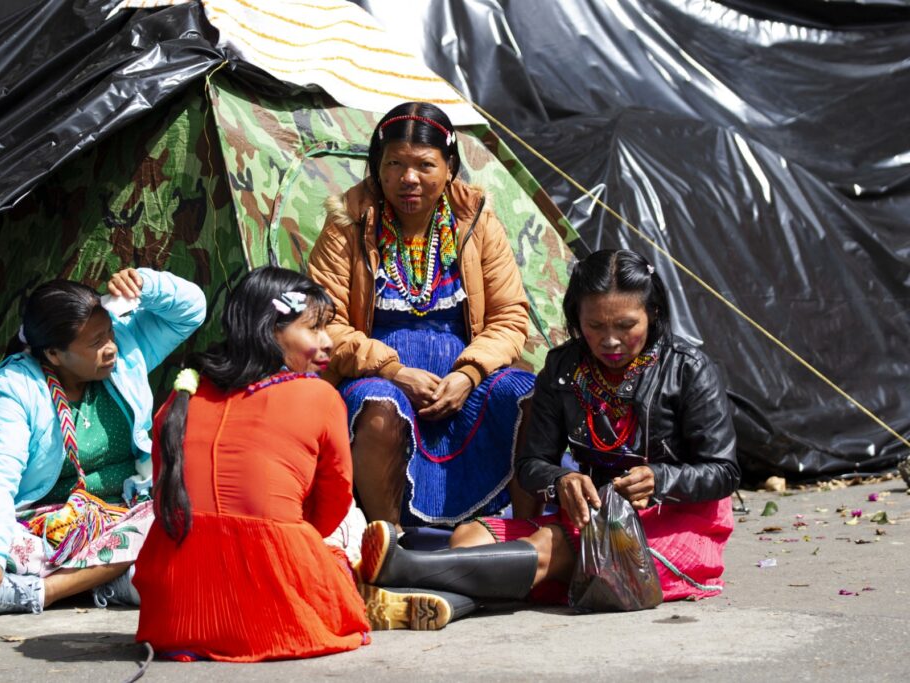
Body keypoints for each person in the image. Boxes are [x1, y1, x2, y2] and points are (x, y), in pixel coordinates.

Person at [357, 249, 741, 619]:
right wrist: (562, 480)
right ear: (576, 317)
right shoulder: (563, 368)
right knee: (469, 538)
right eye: (595, 326)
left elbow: (723, 472)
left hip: (675, 519)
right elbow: (531, 464)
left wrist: (661, 478)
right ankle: (443, 603)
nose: (610, 340)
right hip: (596, 513)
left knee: (549, 546)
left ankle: (402, 574)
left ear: (653, 315)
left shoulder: (690, 369)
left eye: (626, 325)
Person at [308, 101, 538, 529]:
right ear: (377, 167)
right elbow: (325, 322)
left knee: (527, 395)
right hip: (378, 377)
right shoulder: (348, 223)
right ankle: (388, 539)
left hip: (465, 385)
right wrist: (394, 371)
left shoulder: (477, 221)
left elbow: (509, 318)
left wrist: (468, 375)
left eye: (424, 165)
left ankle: (526, 534)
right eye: (394, 163)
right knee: (378, 406)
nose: (408, 179)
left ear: (449, 167)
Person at [133, 267, 373, 662]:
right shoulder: (320, 396)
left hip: (173, 618)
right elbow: (331, 504)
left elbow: (168, 497)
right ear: (272, 330)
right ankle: (363, 585)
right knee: (350, 523)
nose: (328, 342)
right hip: (275, 617)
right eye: (314, 328)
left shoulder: (180, 399)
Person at [0, 268, 206, 616]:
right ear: (54, 355)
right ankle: (110, 578)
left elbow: (191, 309)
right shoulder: (16, 385)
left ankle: (45, 591)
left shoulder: (126, 352)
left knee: (175, 510)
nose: (110, 348)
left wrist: (145, 286)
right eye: (95, 343)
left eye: (109, 334)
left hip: (125, 513)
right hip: (50, 528)